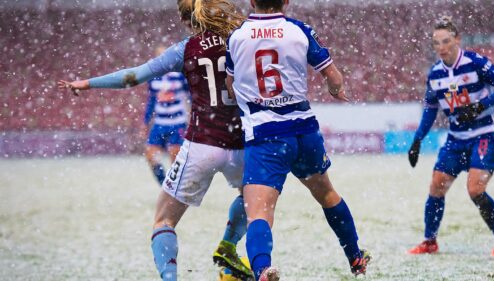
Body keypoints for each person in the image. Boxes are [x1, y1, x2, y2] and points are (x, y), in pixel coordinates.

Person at [58, 0, 254, 280]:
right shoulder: (242, 39)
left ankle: (170, 277)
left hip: (202, 144)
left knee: (164, 220)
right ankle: (228, 247)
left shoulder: (186, 48)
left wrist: (88, 83)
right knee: (253, 199)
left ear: (188, 21)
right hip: (241, 143)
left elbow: (133, 76)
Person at [225, 0, 370, 280]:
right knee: (327, 194)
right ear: (286, 1)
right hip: (303, 131)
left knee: (259, 213)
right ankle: (355, 256)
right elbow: (333, 75)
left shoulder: (238, 35)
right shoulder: (298, 30)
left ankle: (263, 269)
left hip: (265, 134)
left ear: (252, 1)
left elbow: (230, 85)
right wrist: (335, 89)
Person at [407, 16, 494, 257]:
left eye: (446, 41)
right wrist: (417, 139)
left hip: (485, 133)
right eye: (436, 43)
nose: (442, 47)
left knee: (475, 189)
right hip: (456, 137)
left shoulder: (476, 62)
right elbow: (430, 109)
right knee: (436, 186)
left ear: (457, 40)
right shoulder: (435, 74)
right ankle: (429, 241)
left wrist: (480, 106)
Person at [143, 46, 190, 186]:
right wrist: (145, 121)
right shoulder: (153, 78)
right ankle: (163, 184)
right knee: (150, 155)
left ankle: (174, 187)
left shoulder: (180, 76)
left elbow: (191, 96)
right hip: (159, 123)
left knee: (175, 158)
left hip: (177, 122)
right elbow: (151, 100)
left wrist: (193, 116)